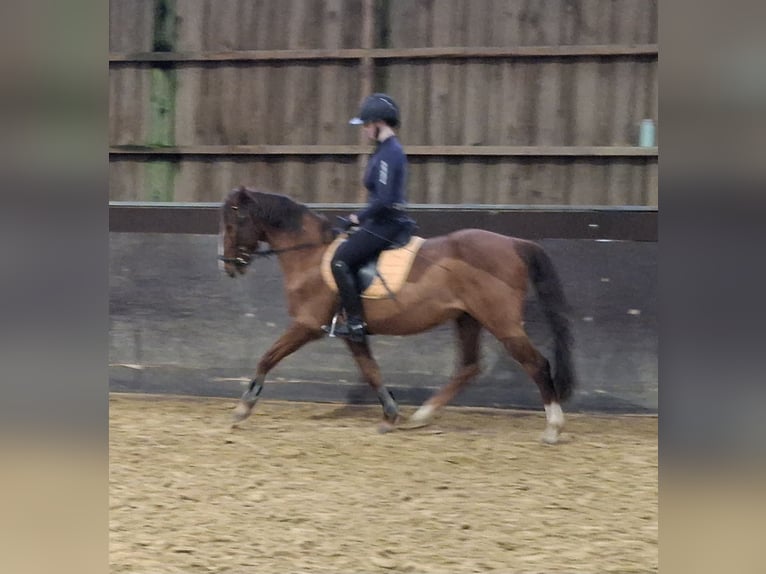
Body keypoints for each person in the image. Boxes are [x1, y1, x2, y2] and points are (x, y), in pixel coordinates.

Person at [327, 93, 413, 343]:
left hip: (387, 223)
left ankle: (355, 322)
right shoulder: (383, 151)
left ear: (379, 123)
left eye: (366, 125)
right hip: (381, 221)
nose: (364, 130)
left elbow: (384, 200)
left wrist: (358, 217)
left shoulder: (390, 153)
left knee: (340, 261)